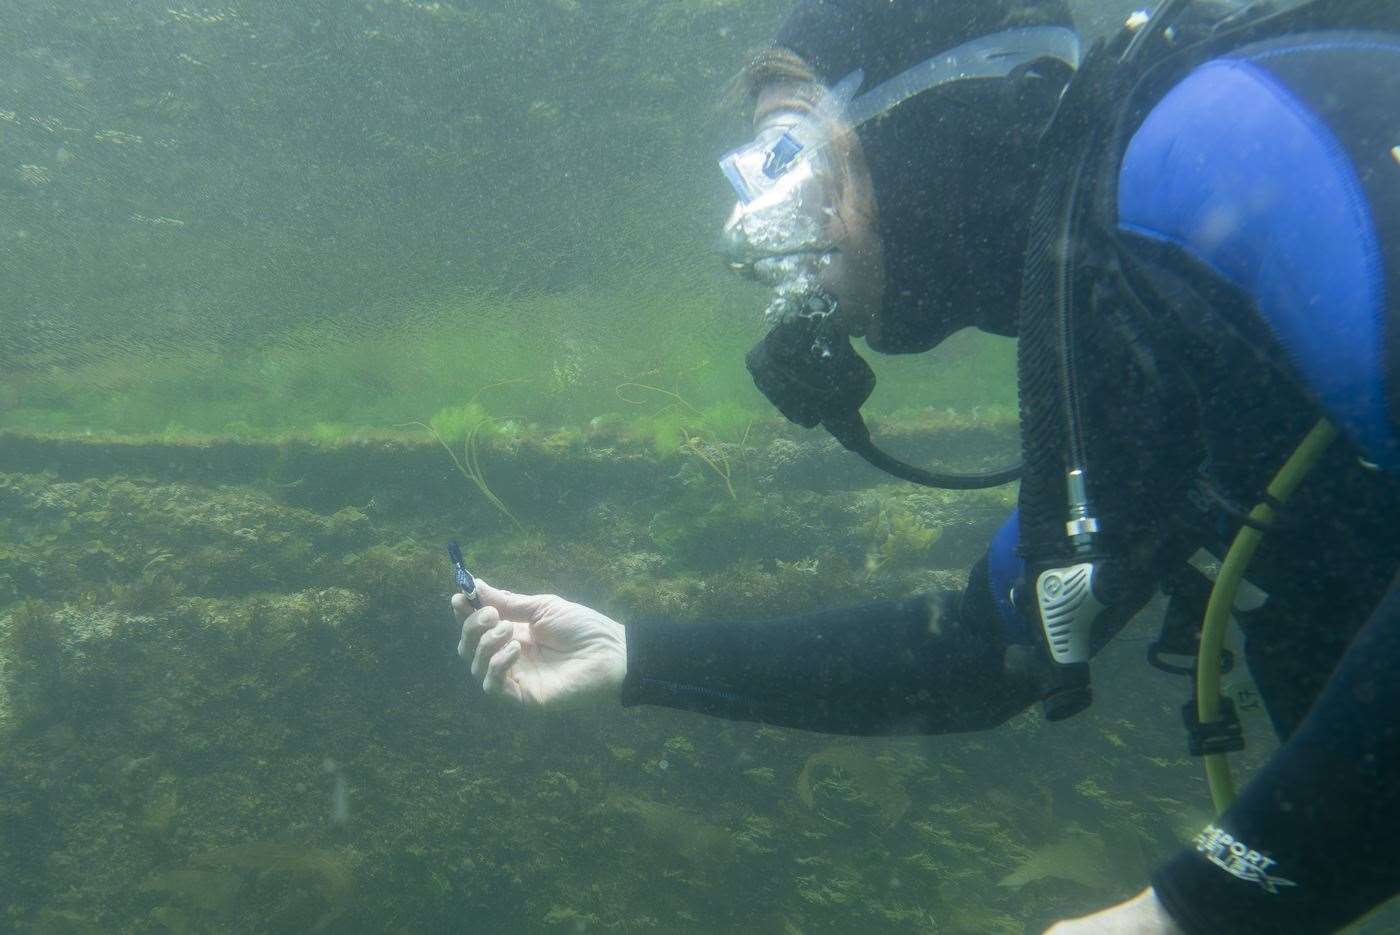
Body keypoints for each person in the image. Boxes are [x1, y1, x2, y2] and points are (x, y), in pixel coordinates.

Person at [454, 1, 1400, 931]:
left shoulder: (1224, 139)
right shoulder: (1118, 286)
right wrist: (635, 655)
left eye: (805, 166)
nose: (776, 233)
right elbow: (987, 647)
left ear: (932, 129)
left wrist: (1191, 912)